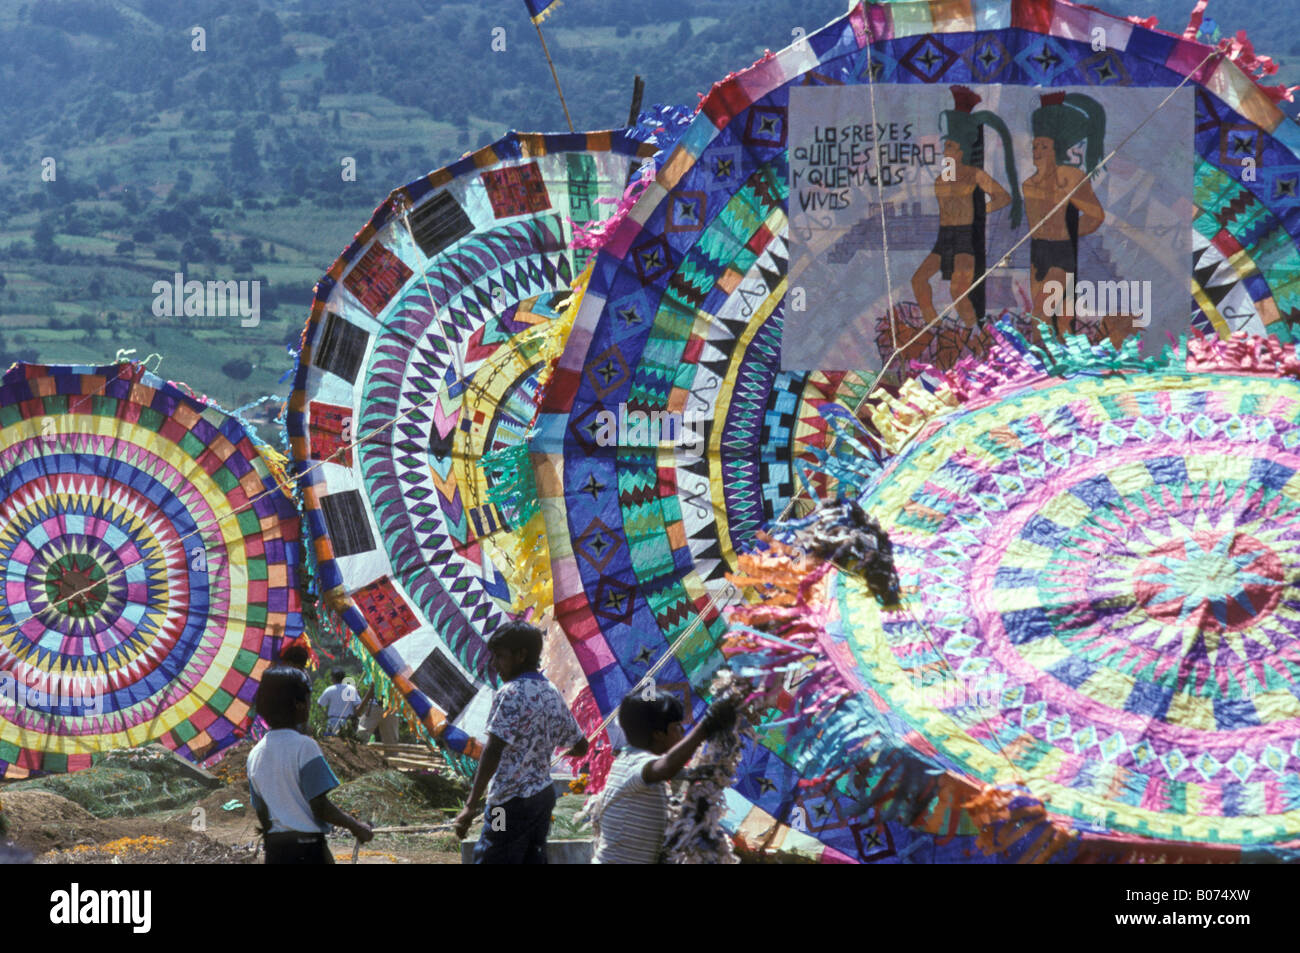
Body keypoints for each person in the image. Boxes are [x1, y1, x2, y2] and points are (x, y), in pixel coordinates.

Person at [452, 620, 589, 863]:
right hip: (541, 800)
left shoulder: (510, 692)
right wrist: (539, 750)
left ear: (521, 655)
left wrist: (470, 806)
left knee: (492, 854)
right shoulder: (551, 692)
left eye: (500, 656)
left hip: (506, 804)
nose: (495, 664)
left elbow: (493, 751)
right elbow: (580, 747)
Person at [911, 85, 1022, 328]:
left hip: (964, 237)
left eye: (950, 146)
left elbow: (1003, 197)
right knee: (919, 280)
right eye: (945, 146)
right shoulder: (942, 178)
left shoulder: (974, 174)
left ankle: (974, 333)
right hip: (945, 236)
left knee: (958, 291)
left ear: (961, 151)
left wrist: (982, 211)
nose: (945, 151)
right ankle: (935, 329)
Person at [590, 689, 735, 864]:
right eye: (676, 727)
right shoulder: (637, 763)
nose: (683, 731)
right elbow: (667, 767)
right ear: (658, 734)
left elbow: (677, 781)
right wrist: (706, 726)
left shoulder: (630, 759)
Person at [248, 666, 373, 864]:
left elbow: (261, 810)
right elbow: (320, 805)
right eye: (307, 700)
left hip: (275, 849)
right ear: (299, 705)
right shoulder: (305, 746)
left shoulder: (255, 754)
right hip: (308, 849)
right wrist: (356, 826)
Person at [1023, 91, 1106, 338]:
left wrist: (1068, 232)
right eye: (1034, 146)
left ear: (1055, 149)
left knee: (1041, 313)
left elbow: (1095, 215)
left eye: (1043, 146)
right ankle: (1054, 365)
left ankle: (1041, 363)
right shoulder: (1028, 184)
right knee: (1054, 319)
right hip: (1037, 251)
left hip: (1061, 252)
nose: (1037, 151)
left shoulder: (1070, 178)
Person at [317, 669, 361, 736]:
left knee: (332, 743)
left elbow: (319, 704)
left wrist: (324, 714)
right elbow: (358, 705)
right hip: (347, 721)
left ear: (333, 678)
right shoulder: (351, 689)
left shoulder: (329, 689)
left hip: (332, 721)